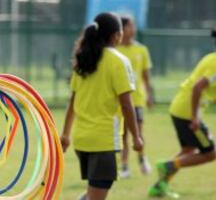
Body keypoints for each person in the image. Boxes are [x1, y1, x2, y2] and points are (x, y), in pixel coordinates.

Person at [60, 12, 143, 200]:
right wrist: (136, 137)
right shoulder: (119, 61)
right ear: (116, 36)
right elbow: (127, 104)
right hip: (102, 141)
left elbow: (72, 101)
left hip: (82, 140)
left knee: (94, 192)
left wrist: (66, 134)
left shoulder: (84, 58)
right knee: (97, 195)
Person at [148, 29, 216, 198]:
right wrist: (195, 117)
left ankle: (158, 187)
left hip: (180, 108)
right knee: (210, 153)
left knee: (188, 149)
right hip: (187, 112)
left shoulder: (211, 57)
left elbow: (207, 91)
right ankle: (168, 165)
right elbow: (197, 87)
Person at [116, 16, 154, 178]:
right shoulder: (115, 51)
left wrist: (150, 95)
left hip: (137, 99)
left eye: (134, 26)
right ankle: (124, 166)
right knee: (123, 134)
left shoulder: (141, 50)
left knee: (138, 131)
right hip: (119, 100)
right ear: (122, 30)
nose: (133, 29)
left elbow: (146, 76)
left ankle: (141, 158)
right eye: (130, 26)